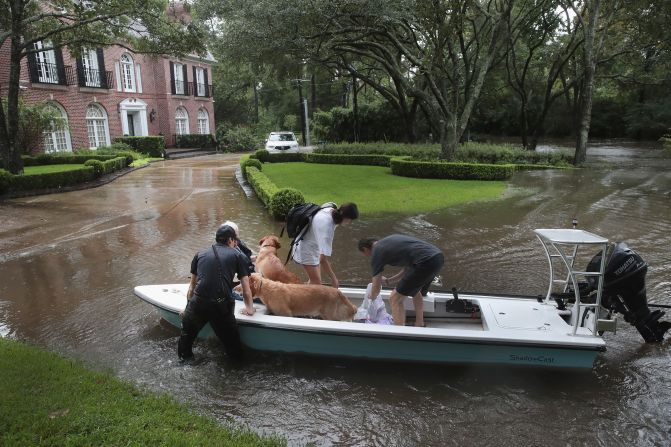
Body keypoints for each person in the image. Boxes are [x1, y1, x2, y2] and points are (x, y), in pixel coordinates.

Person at [177, 225, 256, 363]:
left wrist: (187, 308)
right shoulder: (238, 255)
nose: (236, 243)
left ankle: (186, 362)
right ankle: (234, 371)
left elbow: (192, 287)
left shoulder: (200, 254)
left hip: (198, 303)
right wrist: (249, 309)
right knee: (234, 351)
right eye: (235, 240)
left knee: (186, 341)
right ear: (231, 240)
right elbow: (246, 289)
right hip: (221, 306)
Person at [358, 234, 444, 327]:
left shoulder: (376, 252)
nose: (367, 257)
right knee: (416, 290)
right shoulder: (389, 242)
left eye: (364, 254)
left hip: (425, 262)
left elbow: (376, 288)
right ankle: (419, 323)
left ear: (365, 249)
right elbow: (407, 269)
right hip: (437, 257)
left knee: (394, 298)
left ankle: (400, 332)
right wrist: (389, 281)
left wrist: (371, 296)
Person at [292, 202, 359, 288]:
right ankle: (296, 298)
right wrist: (334, 278)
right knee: (317, 285)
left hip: (312, 246)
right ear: (344, 216)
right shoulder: (327, 227)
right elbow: (323, 259)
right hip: (305, 248)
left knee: (314, 282)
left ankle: (302, 293)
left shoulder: (331, 208)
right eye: (350, 219)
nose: (350, 223)